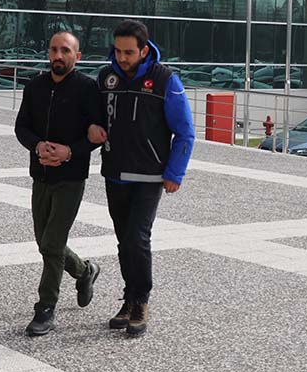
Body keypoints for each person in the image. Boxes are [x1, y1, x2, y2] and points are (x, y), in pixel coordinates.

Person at [88, 19, 195, 336]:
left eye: (129, 52)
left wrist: (174, 172)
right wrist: (92, 128)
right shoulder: (105, 77)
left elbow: (185, 132)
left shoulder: (165, 80)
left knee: (138, 238)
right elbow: (95, 117)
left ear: (144, 50)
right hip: (115, 173)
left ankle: (141, 301)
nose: (121, 58)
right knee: (124, 241)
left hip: (149, 176)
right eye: (118, 51)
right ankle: (129, 297)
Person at [15, 31, 102, 337]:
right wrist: (38, 146)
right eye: (54, 49)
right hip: (40, 175)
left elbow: (97, 135)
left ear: (77, 56)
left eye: (65, 50)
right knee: (45, 242)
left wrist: (69, 152)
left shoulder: (88, 89)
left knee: (51, 244)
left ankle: (45, 308)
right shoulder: (35, 86)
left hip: (71, 178)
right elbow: (21, 127)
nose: (58, 55)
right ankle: (85, 270)